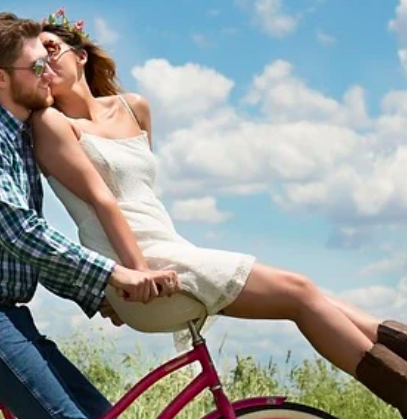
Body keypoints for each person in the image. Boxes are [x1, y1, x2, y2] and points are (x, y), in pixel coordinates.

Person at [30, 8, 407, 417]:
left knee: (311, 294)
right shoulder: (50, 122)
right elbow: (104, 203)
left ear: (80, 54)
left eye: (51, 49)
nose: (44, 62)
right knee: (300, 294)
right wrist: (134, 273)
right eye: (34, 59)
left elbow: (145, 198)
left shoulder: (134, 107)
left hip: (168, 251)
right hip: (139, 267)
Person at [0, 12, 181, 419]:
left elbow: (26, 251)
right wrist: (113, 274)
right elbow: (21, 233)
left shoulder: (17, 141)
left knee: (102, 414)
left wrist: (94, 295)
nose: (49, 73)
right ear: (1, 78)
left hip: (3, 312)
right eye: (37, 66)